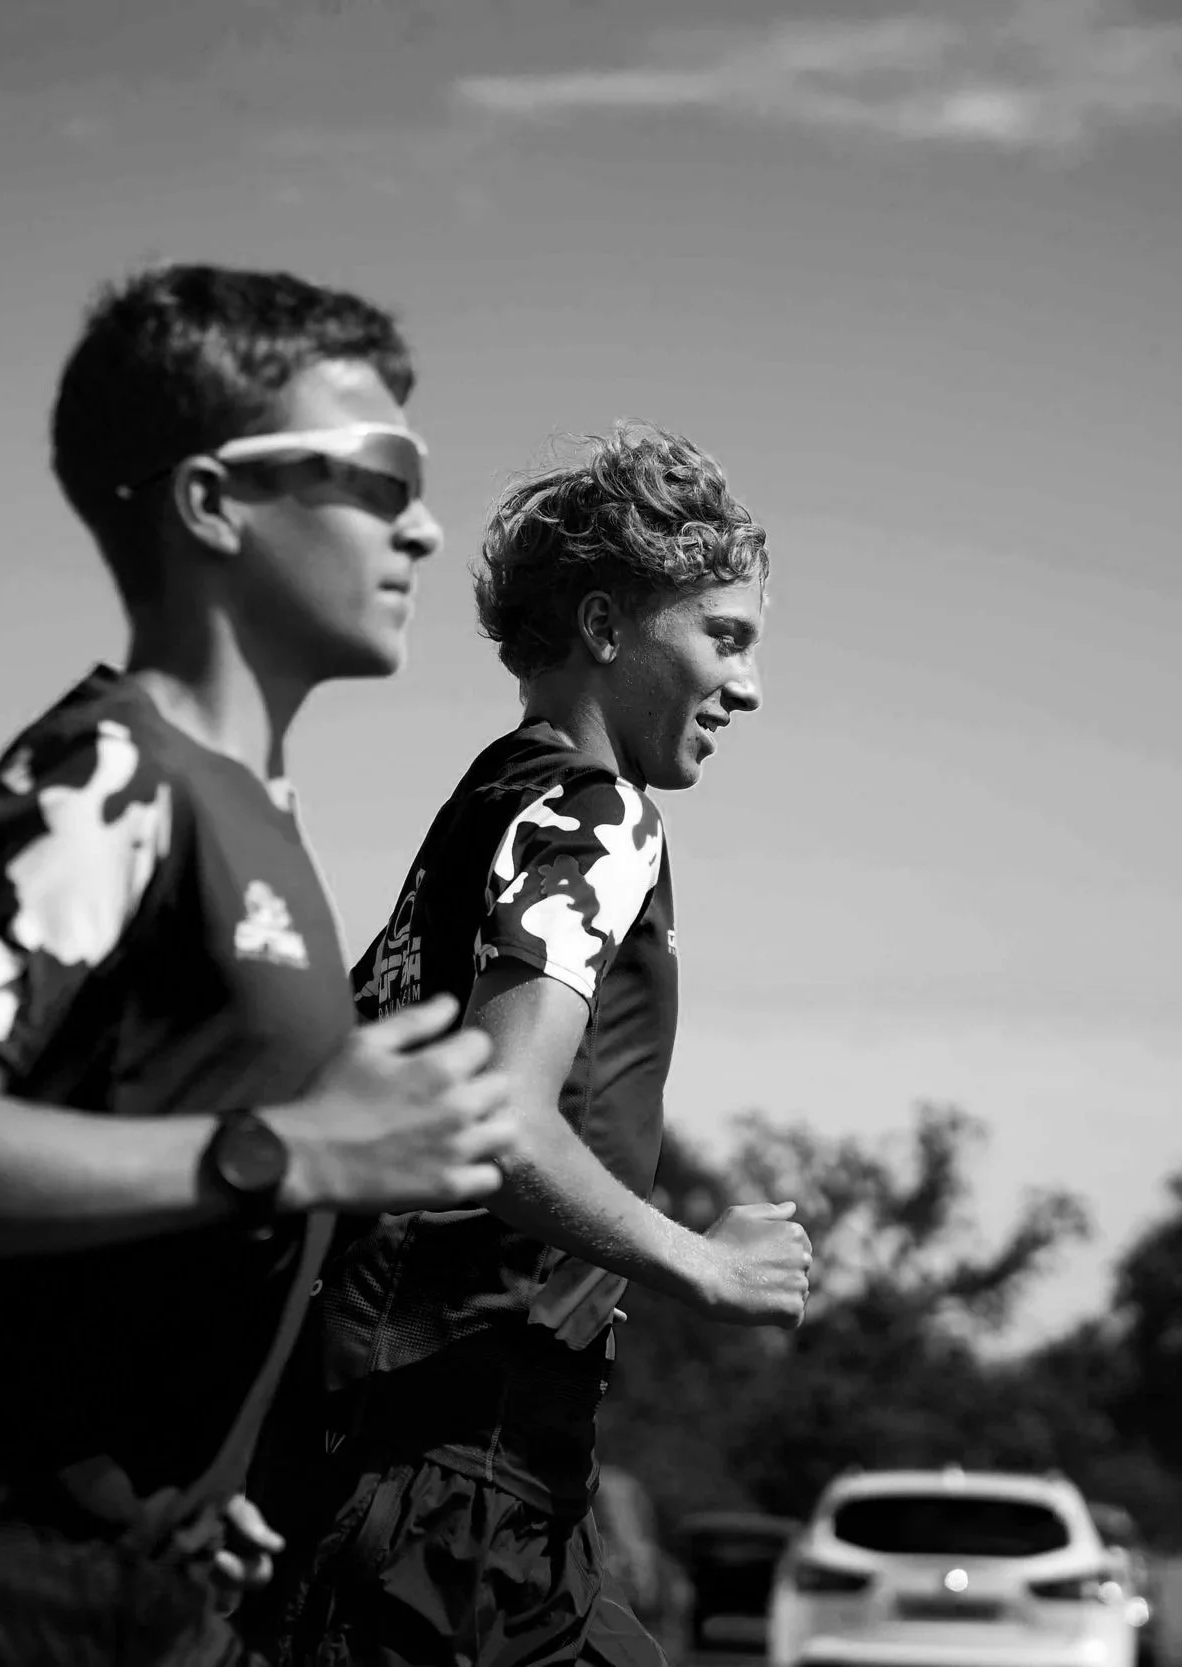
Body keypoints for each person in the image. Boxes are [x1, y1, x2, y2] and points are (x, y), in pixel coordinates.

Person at [0, 263, 521, 1667]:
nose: (423, 524)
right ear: (212, 502)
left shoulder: (246, 807)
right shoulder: (108, 775)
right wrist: (290, 1148)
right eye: (379, 477)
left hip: (127, 1585)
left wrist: (181, 1483)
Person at [270, 426, 813, 1667]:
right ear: (607, 624)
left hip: (411, 1468)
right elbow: (501, 1123)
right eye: (723, 637)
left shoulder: (481, 808)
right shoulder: (594, 814)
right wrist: (703, 1266)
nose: (747, 687)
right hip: (452, 1492)